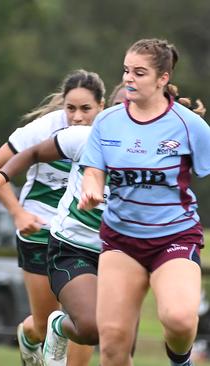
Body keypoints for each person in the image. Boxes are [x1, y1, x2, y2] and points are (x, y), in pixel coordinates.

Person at [78, 38, 210, 366]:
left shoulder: (189, 125)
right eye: (126, 71)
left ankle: (181, 361)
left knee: (179, 320)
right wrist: (92, 189)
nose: (128, 79)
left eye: (139, 72)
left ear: (162, 78)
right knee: (111, 347)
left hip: (174, 237)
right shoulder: (107, 122)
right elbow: (93, 171)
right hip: (122, 241)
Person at [0, 70, 102, 366]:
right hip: (39, 230)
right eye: (70, 108)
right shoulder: (45, 128)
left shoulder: (107, 133)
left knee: (85, 319)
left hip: (81, 236)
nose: (77, 116)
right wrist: (17, 213)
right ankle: (28, 335)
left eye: (86, 109)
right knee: (44, 324)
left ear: (101, 106)